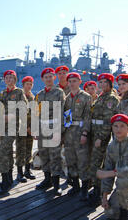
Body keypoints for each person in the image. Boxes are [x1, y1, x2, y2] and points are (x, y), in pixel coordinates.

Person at [85, 73, 120, 206]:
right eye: (100, 82)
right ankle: (95, 189)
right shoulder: (101, 97)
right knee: (93, 162)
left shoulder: (111, 99)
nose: (102, 85)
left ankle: (98, 192)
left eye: (105, 82)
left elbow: (107, 121)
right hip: (94, 133)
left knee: (97, 163)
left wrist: (101, 138)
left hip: (100, 135)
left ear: (110, 84)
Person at [35, 68, 66, 196]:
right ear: (42, 79)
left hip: (54, 128)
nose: (48, 79)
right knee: (44, 154)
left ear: (54, 78)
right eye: (46, 77)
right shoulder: (40, 94)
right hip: (42, 128)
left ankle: (56, 184)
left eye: (50, 76)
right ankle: (47, 180)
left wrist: (60, 131)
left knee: (55, 156)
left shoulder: (59, 92)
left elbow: (63, 112)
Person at [0, 70, 28, 195]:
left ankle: (4, 180)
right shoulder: (3, 93)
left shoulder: (19, 92)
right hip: (3, 127)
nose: (9, 80)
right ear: (4, 80)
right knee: (8, 152)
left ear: (15, 80)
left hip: (13, 126)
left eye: (11, 78)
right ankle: (9, 178)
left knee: (2, 151)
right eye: (7, 78)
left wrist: (11, 115)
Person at [62, 72, 92, 197]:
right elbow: (65, 116)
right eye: (70, 81)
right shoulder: (67, 98)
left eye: (75, 81)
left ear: (80, 82)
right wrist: (63, 134)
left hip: (80, 132)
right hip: (69, 133)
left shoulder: (86, 97)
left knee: (83, 161)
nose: (72, 83)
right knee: (70, 160)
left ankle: (85, 188)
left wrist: (85, 133)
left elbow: (88, 116)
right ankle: (75, 186)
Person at [15, 76, 36, 182]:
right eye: (27, 84)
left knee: (29, 149)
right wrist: (26, 127)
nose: (29, 86)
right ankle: (19, 173)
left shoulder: (32, 97)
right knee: (20, 150)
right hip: (21, 128)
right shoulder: (20, 96)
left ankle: (27, 170)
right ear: (23, 85)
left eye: (30, 84)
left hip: (30, 129)